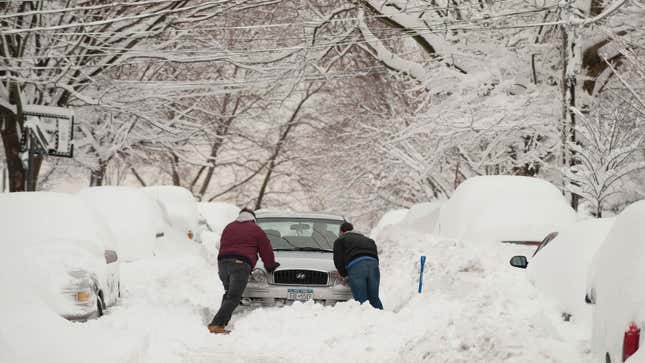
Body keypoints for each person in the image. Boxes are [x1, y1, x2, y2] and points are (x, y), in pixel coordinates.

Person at [208, 208, 280, 334]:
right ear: (253, 219)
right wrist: (270, 266)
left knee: (229, 294)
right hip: (240, 265)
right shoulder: (256, 230)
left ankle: (221, 324)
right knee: (234, 297)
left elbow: (221, 245)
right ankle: (216, 324)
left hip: (222, 264)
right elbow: (266, 250)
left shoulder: (229, 227)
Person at [333, 221, 383, 310]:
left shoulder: (340, 240)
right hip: (373, 265)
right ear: (352, 230)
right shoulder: (368, 240)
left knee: (361, 300)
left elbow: (338, 260)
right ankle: (382, 318)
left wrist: (344, 274)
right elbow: (375, 256)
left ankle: (364, 321)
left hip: (356, 267)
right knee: (374, 298)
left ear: (341, 232)